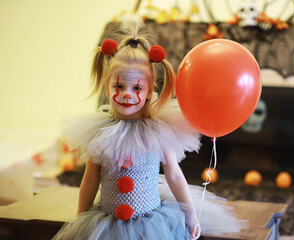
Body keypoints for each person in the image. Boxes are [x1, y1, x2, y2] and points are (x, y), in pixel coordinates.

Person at [53, 21, 246, 240]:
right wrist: (80, 221)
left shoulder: (158, 131)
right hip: (108, 223)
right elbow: (90, 179)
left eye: (136, 88)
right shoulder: (100, 133)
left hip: (149, 224)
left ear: (148, 91)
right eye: (119, 86)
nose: (127, 94)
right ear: (108, 87)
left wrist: (190, 214)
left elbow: (173, 173)